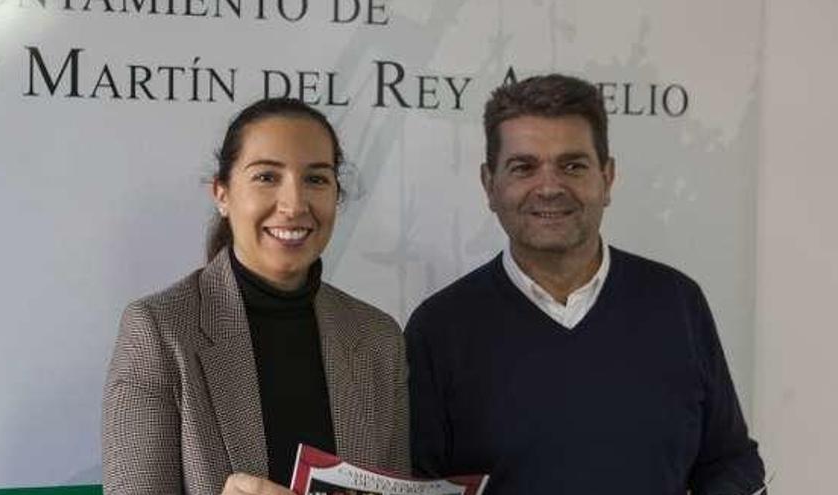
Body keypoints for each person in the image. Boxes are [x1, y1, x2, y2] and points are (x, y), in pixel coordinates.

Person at [405, 74, 765, 494]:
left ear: (607, 178)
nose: (550, 187)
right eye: (524, 167)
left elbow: (729, 460)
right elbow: (417, 484)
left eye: (572, 165)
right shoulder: (439, 328)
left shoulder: (677, 303)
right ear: (489, 184)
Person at [103, 98, 410, 495]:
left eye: (316, 179)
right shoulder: (158, 331)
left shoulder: (378, 338)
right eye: (266, 176)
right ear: (223, 194)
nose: (294, 204)